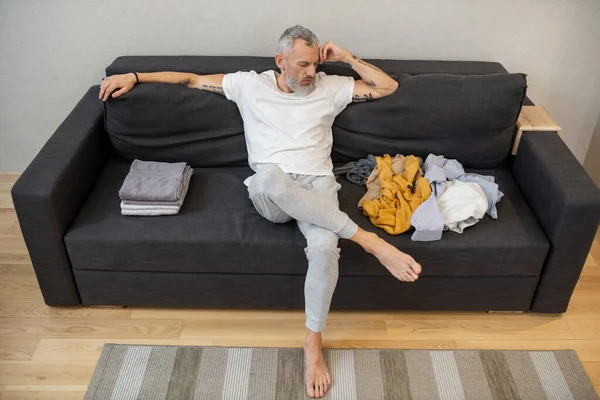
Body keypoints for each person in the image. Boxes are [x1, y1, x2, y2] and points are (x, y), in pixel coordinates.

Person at [99, 25, 422, 399]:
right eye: (302, 64)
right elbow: (188, 80)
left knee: (323, 248)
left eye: (315, 64)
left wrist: (347, 59)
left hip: (317, 187)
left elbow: (387, 87)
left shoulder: (331, 86)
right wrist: (135, 76)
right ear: (280, 60)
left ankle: (313, 341)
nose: (310, 73)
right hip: (273, 192)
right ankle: (370, 242)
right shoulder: (248, 85)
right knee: (269, 177)